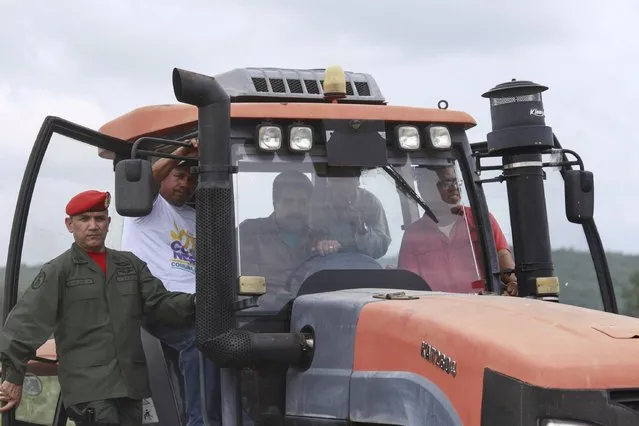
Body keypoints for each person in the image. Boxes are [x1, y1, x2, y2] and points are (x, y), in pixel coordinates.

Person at [0, 190, 197, 426]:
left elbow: (159, 304)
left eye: (99, 218)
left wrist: (196, 302)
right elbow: (26, 324)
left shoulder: (130, 265)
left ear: (108, 223)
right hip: (89, 388)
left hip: (131, 387)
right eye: (84, 219)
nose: (93, 226)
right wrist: (13, 377)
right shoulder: (59, 271)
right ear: (69, 225)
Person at [120, 139, 220, 426]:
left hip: (197, 302)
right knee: (200, 339)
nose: (185, 184)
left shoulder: (197, 217)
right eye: (179, 175)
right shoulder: (146, 207)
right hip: (157, 300)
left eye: (192, 179)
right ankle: (201, 421)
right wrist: (181, 153)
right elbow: (147, 180)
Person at [397, 164, 518, 296]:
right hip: (433, 312)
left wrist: (514, 282)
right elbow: (408, 287)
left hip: (482, 307)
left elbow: (504, 261)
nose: (454, 188)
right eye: (446, 182)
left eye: (456, 181)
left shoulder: (482, 220)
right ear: (425, 189)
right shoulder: (413, 235)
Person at [238, 171, 339, 308]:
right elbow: (234, 284)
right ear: (275, 203)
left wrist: (333, 248)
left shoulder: (320, 237)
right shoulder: (249, 233)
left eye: (302, 202)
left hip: (310, 313)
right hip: (260, 317)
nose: (295, 209)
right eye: (288, 202)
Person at [310, 166, 391, 259]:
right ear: (329, 182)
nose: (344, 186)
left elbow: (380, 249)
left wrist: (362, 228)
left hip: (362, 265)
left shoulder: (370, 203)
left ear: (358, 181)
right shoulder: (315, 204)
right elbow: (303, 240)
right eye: (339, 181)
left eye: (349, 181)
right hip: (323, 264)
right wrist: (320, 243)